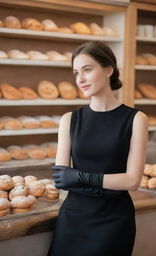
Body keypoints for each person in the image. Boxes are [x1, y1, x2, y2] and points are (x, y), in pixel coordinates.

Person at [47, 41, 148, 256]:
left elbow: (132, 181)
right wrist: (109, 183)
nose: (80, 79)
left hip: (114, 223)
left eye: (87, 70)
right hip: (73, 220)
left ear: (108, 70)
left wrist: (80, 177)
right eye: (76, 73)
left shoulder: (136, 119)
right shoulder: (69, 119)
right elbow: (62, 179)